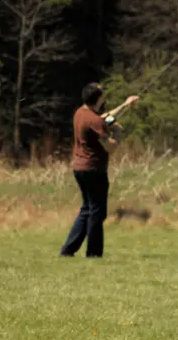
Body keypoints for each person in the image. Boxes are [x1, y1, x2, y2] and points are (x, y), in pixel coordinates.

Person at [60, 83, 140, 258]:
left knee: (87, 209)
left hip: (79, 168)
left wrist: (126, 105)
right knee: (97, 211)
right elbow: (109, 147)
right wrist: (118, 133)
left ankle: (68, 250)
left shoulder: (80, 113)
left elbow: (105, 117)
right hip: (93, 170)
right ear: (98, 99)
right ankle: (94, 253)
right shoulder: (94, 121)